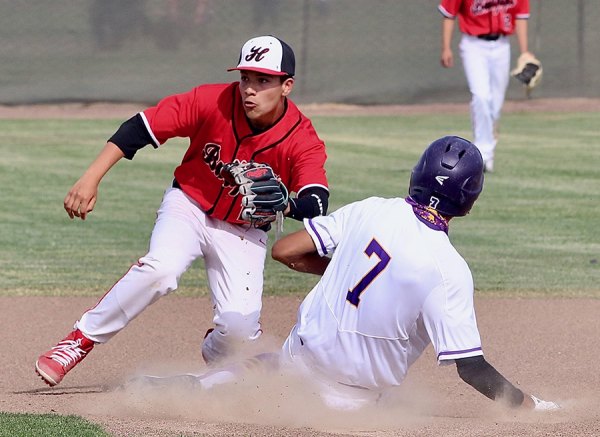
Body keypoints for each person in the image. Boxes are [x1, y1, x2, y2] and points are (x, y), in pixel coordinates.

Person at [133, 136, 560, 412]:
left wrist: (341, 268)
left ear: (416, 175)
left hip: (301, 356)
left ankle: (197, 387)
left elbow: (285, 251)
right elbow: (472, 369)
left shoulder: (371, 208)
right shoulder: (450, 271)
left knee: (272, 365)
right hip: (353, 400)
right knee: (389, 406)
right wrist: (530, 406)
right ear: (469, 201)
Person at [35, 35, 329, 387]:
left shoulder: (302, 137)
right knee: (162, 269)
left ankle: (217, 352)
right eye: (245, 78)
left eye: (263, 81)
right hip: (187, 205)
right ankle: (79, 340)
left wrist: (286, 203)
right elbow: (139, 128)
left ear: (287, 86)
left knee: (238, 331)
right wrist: (90, 178)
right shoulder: (211, 100)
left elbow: (317, 203)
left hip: (243, 229)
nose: (250, 89)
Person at [438, 0, 537, 173]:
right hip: (473, 45)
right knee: (481, 96)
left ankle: (486, 154)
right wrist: (446, 48)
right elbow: (449, 14)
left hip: (501, 46)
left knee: (495, 105)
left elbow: (520, 16)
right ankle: (483, 154)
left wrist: (524, 51)